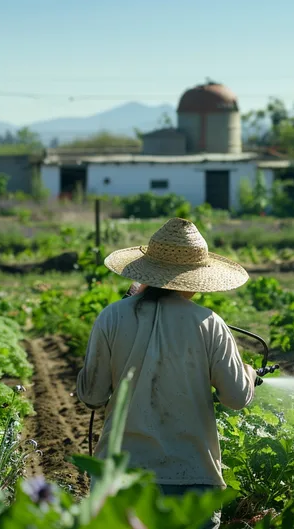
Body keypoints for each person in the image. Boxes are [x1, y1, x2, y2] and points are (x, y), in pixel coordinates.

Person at [76, 217, 257, 529]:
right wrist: (249, 374)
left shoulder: (111, 317)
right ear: (196, 278)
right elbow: (236, 398)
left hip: (120, 476)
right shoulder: (209, 323)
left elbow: (92, 395)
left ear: (146, 271)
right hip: (191, 477)